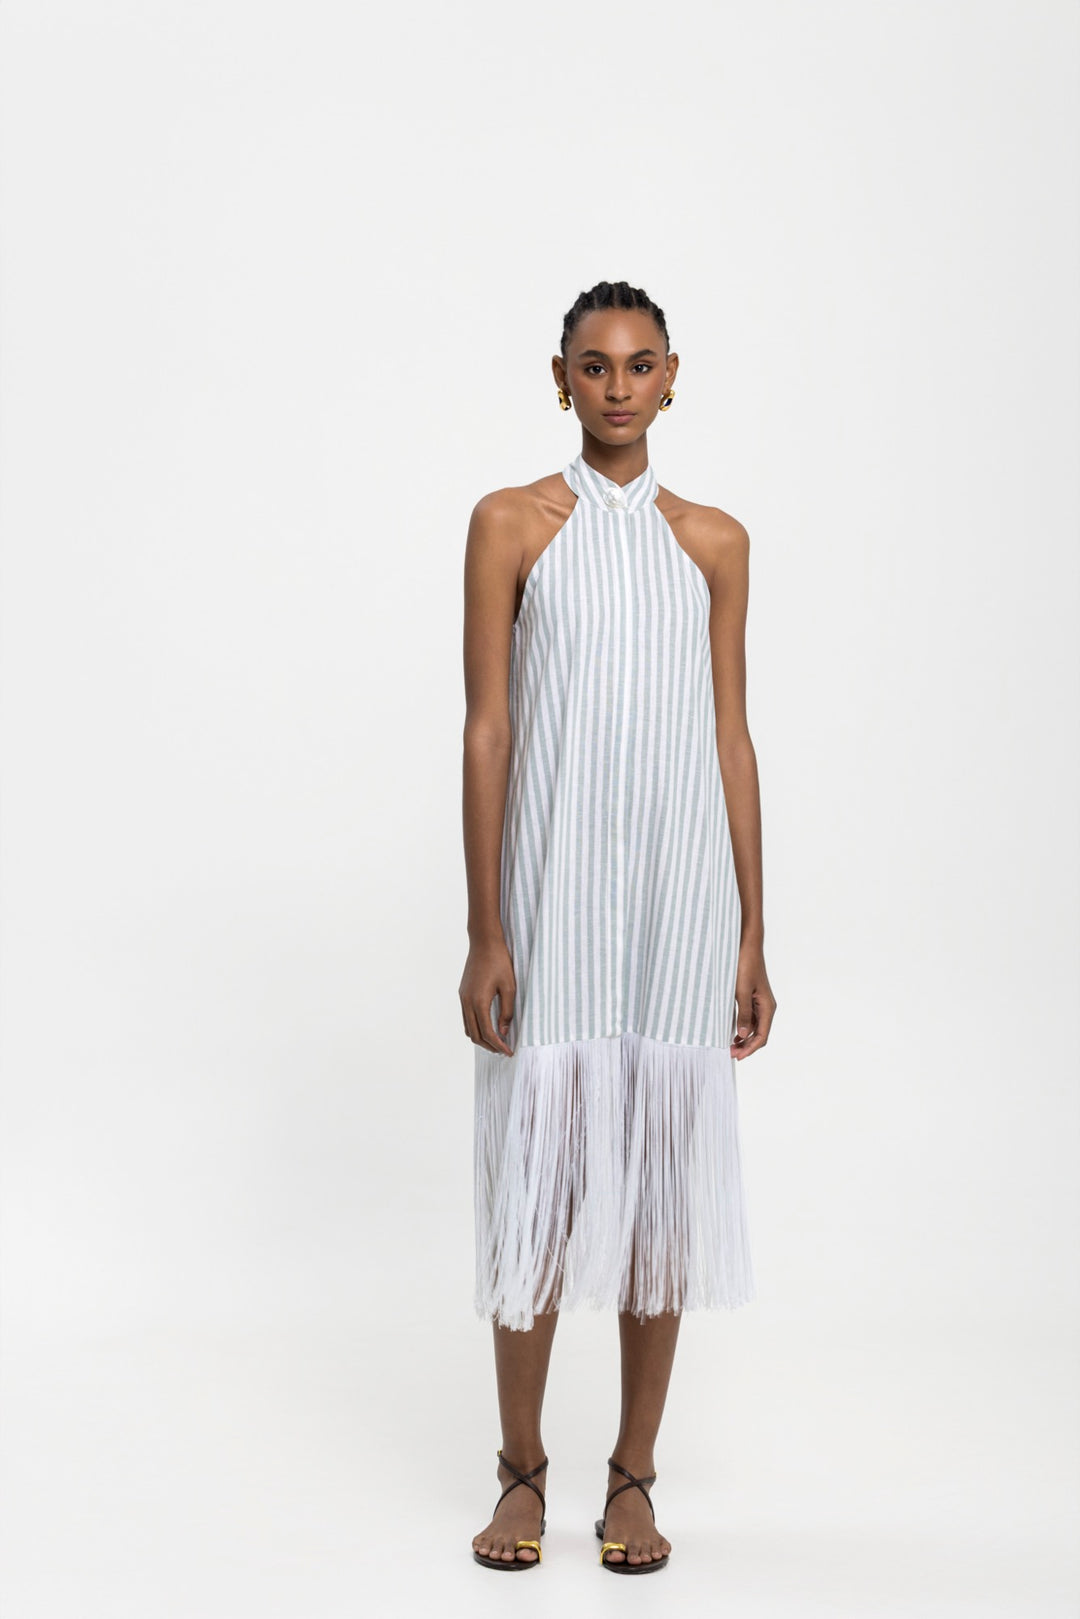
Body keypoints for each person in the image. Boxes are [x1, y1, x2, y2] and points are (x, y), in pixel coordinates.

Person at [459, 280, 776, 1574]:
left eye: (640, 366)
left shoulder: (714, 542)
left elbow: (731, 736)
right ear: (561, 380)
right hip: (553, 896)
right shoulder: (510, 525)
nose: (618, 388)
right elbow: (489, 730)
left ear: (673, 377)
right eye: (594, 367)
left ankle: (633, 1477)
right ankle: (520, 1471)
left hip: (679, 904)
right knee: (537, 1178)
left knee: (658, 1187)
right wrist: (486, 927)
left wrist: (751, 933)